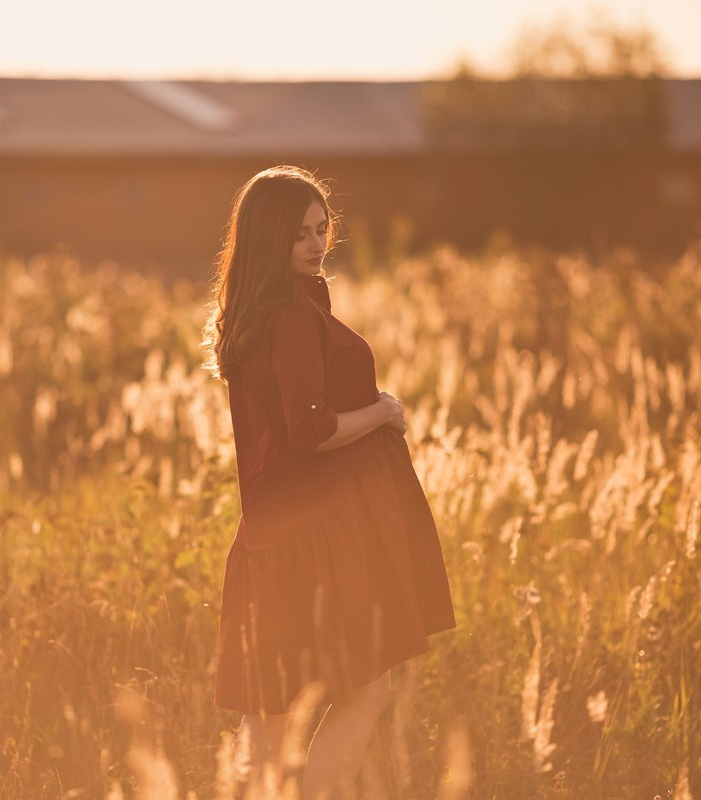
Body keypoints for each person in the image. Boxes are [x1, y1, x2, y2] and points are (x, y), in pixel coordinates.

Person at [201, 165, 456, 798]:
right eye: (300, 236)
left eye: (322, 229)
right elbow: (309, 430)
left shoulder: (252, 313)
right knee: (366, 689)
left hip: (268, 541)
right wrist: (385, 413)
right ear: (269, 241)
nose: (317, 246)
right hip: (317, 536)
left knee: (270, 716)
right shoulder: (290, 315)